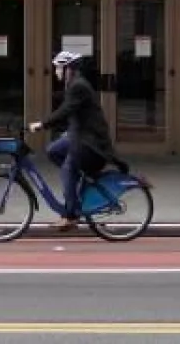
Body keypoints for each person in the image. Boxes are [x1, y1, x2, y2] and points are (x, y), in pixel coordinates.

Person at [29, 50, 119, 231]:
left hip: (93, 144)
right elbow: (72, 114)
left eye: (58, 68)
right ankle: (77, 187)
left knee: (68, 169)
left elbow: (65, 111)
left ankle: (71, 215)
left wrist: (42, 124)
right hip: (81, 137)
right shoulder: (73, 84)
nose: (55, 72)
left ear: (67, 68)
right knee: (53, 150)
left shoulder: (78, 86)